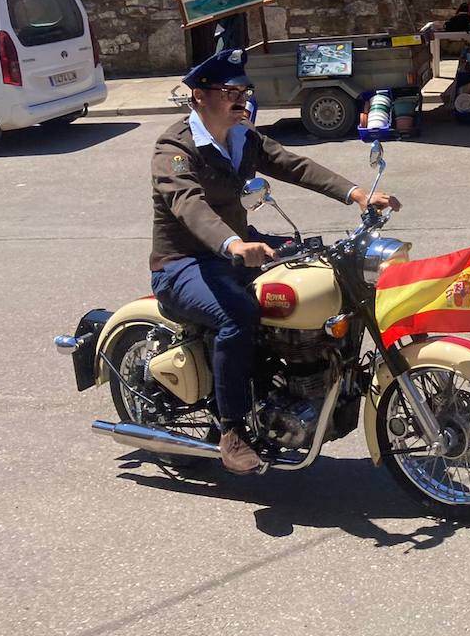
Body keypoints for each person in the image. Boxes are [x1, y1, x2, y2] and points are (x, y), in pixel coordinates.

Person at [150, 49, 400, 474]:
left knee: (317, 267)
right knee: (239, 315)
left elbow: (292, 164)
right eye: (230, 91)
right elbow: (188, 205)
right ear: (199, 96)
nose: (240, 99)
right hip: (184, 262)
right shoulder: (175, 149)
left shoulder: (243, 135)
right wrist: (232, 243)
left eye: (244, 91)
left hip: (237, 247)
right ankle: (232, 432)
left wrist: (356, 194)